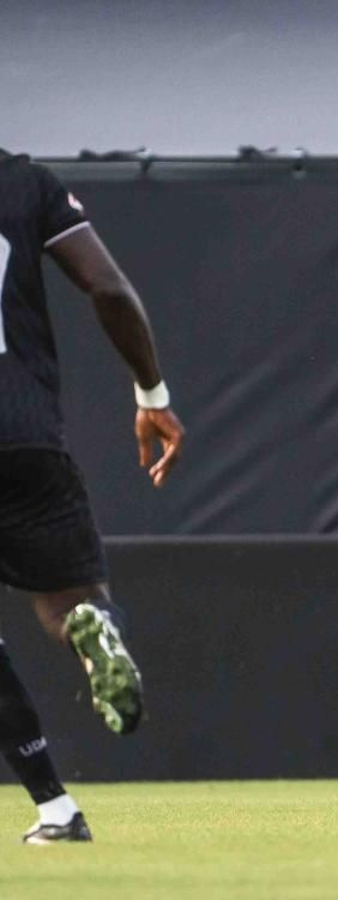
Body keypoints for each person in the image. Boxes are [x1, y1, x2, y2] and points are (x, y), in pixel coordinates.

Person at [0, 150, 185, 842]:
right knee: (69, 604)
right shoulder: (23, 183)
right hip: (26, 437)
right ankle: (95, 627)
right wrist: (152, 394)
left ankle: (54, 805)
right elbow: (109, 290)